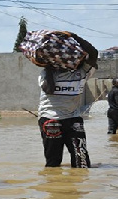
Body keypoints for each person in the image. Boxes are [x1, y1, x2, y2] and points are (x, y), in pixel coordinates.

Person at [35, 33, 98, 168]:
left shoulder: (49, 74)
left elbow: (93, 53)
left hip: (62, 119)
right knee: (67, 162)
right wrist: (75, 37)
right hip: (58, 119)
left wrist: (74, 37)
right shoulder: (49, 74)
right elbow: (93, 54)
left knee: (69, 163)